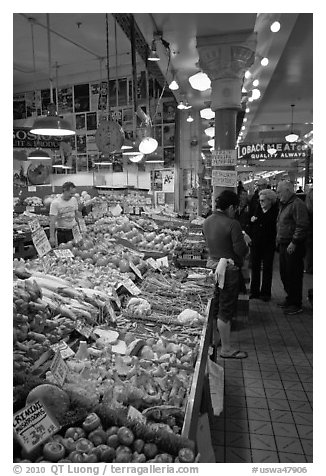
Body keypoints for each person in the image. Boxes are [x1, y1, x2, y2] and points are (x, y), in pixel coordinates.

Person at [203, 190, 249, 359]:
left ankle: (216, 340)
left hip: (211, 267)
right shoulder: (233, 224)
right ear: (230, 207)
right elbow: (240, 250)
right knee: (226, 308)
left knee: (214, 306)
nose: (235, 212)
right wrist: (247, 245)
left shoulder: (207, 221)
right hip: (227, 270)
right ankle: (227, 349)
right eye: (235, 208)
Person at [276, 180, 309, 315]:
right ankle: (290, 299)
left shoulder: (297, 204)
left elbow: (302, 225)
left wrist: (294, 242)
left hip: (293, 245)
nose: (278, 195)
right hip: (284, 244)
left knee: (294, 274)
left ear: (288, 191)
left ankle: (296, 303)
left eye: (279, 192)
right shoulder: (285, 204)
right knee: (285, 273)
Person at [248, 189, 278, 301]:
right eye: (260, 200)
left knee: (267, 268)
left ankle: (265, 293)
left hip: (268, 244)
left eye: (263, 200)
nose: (261, 202)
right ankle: (254, 291)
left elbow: (273, 228)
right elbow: (251, 224)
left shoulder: (275, 212)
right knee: (255, 268)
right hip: (256, 243)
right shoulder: (257, 210)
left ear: (270, 201)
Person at [49, 182, 80, 246]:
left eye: (74, 193)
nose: (72, 195)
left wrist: (81, 228)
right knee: (63, 251)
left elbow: (77, 215)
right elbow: (52, 221)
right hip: (62, 233)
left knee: (75, 251)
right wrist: (52, 237)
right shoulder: (55, 203)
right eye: (71, 193)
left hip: (74, 231)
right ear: (64, 190)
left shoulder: (74, 200)